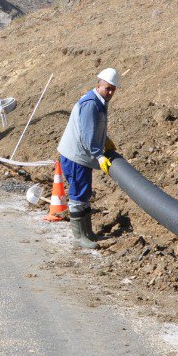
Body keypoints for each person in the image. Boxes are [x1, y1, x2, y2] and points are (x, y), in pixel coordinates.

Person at [56, 67, 120, 249]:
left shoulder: (99, 102)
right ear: (98, 85)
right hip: (76, 157)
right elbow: (87, 134)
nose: (110, 92)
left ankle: (88, 233)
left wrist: (105, 140)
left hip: (82, 156)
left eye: (113, 89)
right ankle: (79, 237)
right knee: (78, 195)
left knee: (84, 193)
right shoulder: (91, 104)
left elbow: (93, 127)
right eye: (107, 88)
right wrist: (99, 155)